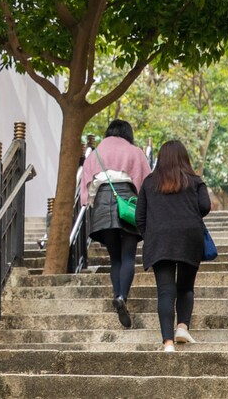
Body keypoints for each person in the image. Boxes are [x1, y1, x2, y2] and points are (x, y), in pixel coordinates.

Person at [136, 140, 211, 352]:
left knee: (165, 291)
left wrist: (150, 235)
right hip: (189, 237)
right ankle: (182, 327)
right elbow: (205, 206)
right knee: (186, 287)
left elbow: (139, 217)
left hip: (160, 241)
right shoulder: (194, 181)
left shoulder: (150, 183)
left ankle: (168, 342)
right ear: (184, 158)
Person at [79, 119, 151, 329]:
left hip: (102, 204)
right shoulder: (134, 151)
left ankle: (117, 294)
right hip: (127, 203)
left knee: (115, 258)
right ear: (127, 133)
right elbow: (146, 182)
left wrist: (92, 201)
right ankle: (122, 297)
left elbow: (88, 187)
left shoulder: (96, 153)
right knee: (129, 255)